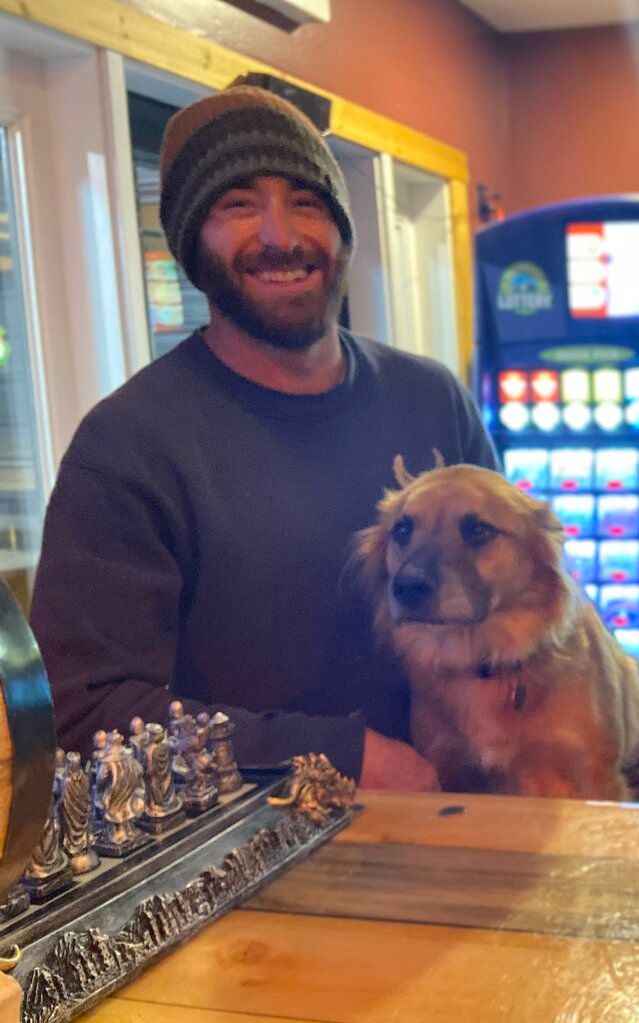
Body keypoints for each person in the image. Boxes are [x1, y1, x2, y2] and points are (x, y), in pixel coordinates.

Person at [29, 82, 498, 790]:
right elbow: (90, 712)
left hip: (465, 826)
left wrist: (622, 689)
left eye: (307, 202)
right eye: (238, 206)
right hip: (250, 867)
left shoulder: (430, 397)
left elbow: (528, 576)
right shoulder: (127, 447)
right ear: (193, 242)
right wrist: (338, 756)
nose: (282, 236)